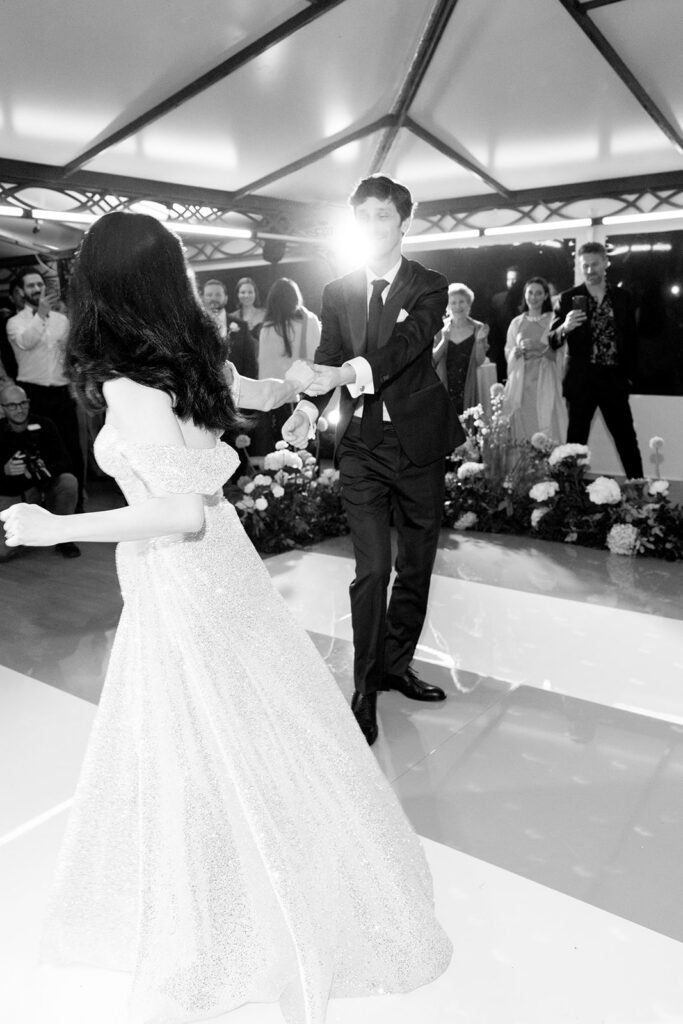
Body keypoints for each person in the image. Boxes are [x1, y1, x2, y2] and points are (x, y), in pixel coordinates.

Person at [1, 211, 451, 1024]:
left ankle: (229, 909)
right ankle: (262, 875)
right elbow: (264, 392)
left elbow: (179, 514)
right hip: (222, 573)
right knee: (247, 726)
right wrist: (317, 381)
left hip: (183, 579)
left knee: (203, 736)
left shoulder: (132, 385)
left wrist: (55, 526)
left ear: (102, 287)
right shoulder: (195, 355)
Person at [283, 174, 463, 747]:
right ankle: (364, 688)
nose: (373, 226)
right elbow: (327, 359)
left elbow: (408, 349)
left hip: (418, 445)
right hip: (361, 447)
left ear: (405, 222)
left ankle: (395, 664)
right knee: (372, 570)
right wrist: (309, 412)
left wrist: (347, 375)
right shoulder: (337, 292)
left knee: (416, 563)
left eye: (384, 216)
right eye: (363, 217)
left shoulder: (429, 286)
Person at [548, 241, 643, 478]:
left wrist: (630, 377)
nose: (590, 270)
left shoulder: (622, 298)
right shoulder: (568, 297)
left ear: (606, 263)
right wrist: (566, 327)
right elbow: (552, 340)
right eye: (585, 266)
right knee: (575, 445)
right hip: (581, 381)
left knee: (626, 441)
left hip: (614, 380)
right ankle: (570, 498)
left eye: (594, 265)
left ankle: (639, 493)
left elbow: (632, 340)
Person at [5, 267, 85, 508]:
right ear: (21, 291)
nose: (37, 289)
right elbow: (25, 342)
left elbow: (71, 354)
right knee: (36, 449)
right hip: (33, 394)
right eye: (31, 285)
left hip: (61, 393)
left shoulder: (62, 320)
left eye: (40, 284)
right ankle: (41, 507)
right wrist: (40, 316)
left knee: (71, 447)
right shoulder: (14, 322)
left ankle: (76, 502)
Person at [0, 383, 80, 560]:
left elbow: (65, 461)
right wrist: (5, 470)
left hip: (41, 488)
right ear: (2, 408)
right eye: (12, 405)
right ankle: (27, 529)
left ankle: (63, 537)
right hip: (10, 493)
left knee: (68, 482)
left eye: (23, 403)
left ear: (29, 403)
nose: (19, 409)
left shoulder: (45, 425)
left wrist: (43, 468)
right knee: (3, 552)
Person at [254, 277, 320, 455]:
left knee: (279, 451)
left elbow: (263, 366)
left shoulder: (267, 328)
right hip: (303, 395)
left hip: (274, 398)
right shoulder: (308, 320)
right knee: (304, 449)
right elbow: (319, 356)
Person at [503, 276, 567, 443]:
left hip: (545, 380)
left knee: (545, 421)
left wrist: (540, 347)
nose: (534, 297)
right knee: (522, 423)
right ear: (525, 295)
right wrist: (514, 354)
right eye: (530, 293)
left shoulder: (554, 320)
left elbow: (560, 355)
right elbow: (508, 350)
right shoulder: (516, 323)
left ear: (546, 296)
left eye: (539, 293)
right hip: (521, 383)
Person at [433, 282, 490, 415]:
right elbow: (433, 360)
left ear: (469, 304)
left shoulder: (478, 328)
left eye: (461, 302)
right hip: (444, 386)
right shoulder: (439, 328)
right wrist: (444, 340)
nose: (457, 306)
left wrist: (479, 341)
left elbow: (480, 361)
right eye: (453, 302)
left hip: (470, 386)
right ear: (448, 306)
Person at [201, 277, 257, 378]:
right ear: (203, 298)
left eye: (218, 294)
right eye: (209, 295)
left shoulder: (242, 326)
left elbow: (250, 364)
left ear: (226, 298)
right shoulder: (194, 326)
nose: (213, 298)